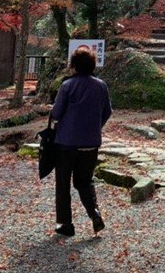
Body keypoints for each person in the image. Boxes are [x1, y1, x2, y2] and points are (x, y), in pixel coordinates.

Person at [50, 46, 113, 237]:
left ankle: (66, 224)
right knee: (84, 181)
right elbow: (107, 111)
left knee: (63, 184)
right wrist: (95, 127)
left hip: (66, 143)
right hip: (91, 143)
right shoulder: (101, 85)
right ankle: (95, 214)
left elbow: (57, 113)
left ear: (74, 66)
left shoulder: (67, 86)